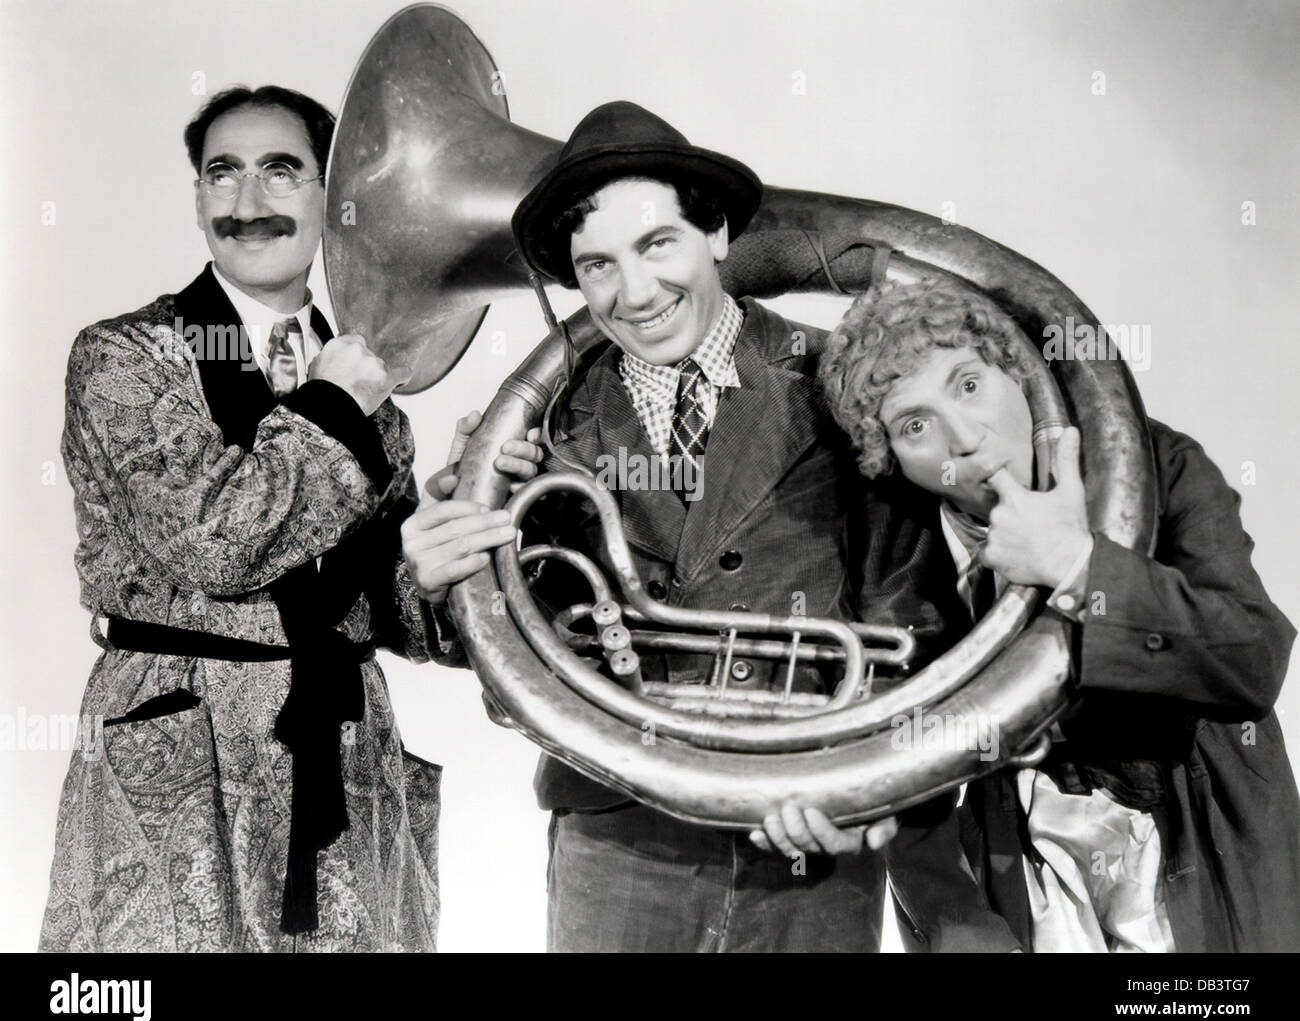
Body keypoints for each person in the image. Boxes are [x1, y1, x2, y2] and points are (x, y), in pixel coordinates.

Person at [40, 85, 521, 952]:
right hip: (179, 753)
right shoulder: (122, 356)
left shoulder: (375, 393)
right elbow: (215, 540)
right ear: (196, 198)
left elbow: (394, 615)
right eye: (223, 173)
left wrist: (451, 532)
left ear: (332, 204)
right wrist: (337, 403)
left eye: (281, 172)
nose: (249, 203)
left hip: (338, 750)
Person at [468, 100, 938, 952]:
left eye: (657, 245)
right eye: (598, 265)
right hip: (619, 839)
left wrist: (875, 786)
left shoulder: (841, 378)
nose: (635, 292)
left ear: (717, 232)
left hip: (807, 826)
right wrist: (471, 539)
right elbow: (515, 657)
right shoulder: (545, 427)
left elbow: (911, 611)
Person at [819, 278, 1300, 952]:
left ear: (1018, 374)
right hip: (1027, 871)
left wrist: (1079, 563)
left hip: (1197, 849)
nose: (964, 438)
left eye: (967, 385)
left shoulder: (1158, 465)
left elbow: (1251, 657)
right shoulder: (895, 553)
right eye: (915, 424)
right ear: (887, 455)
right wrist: (953, 917)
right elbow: (902, 770)